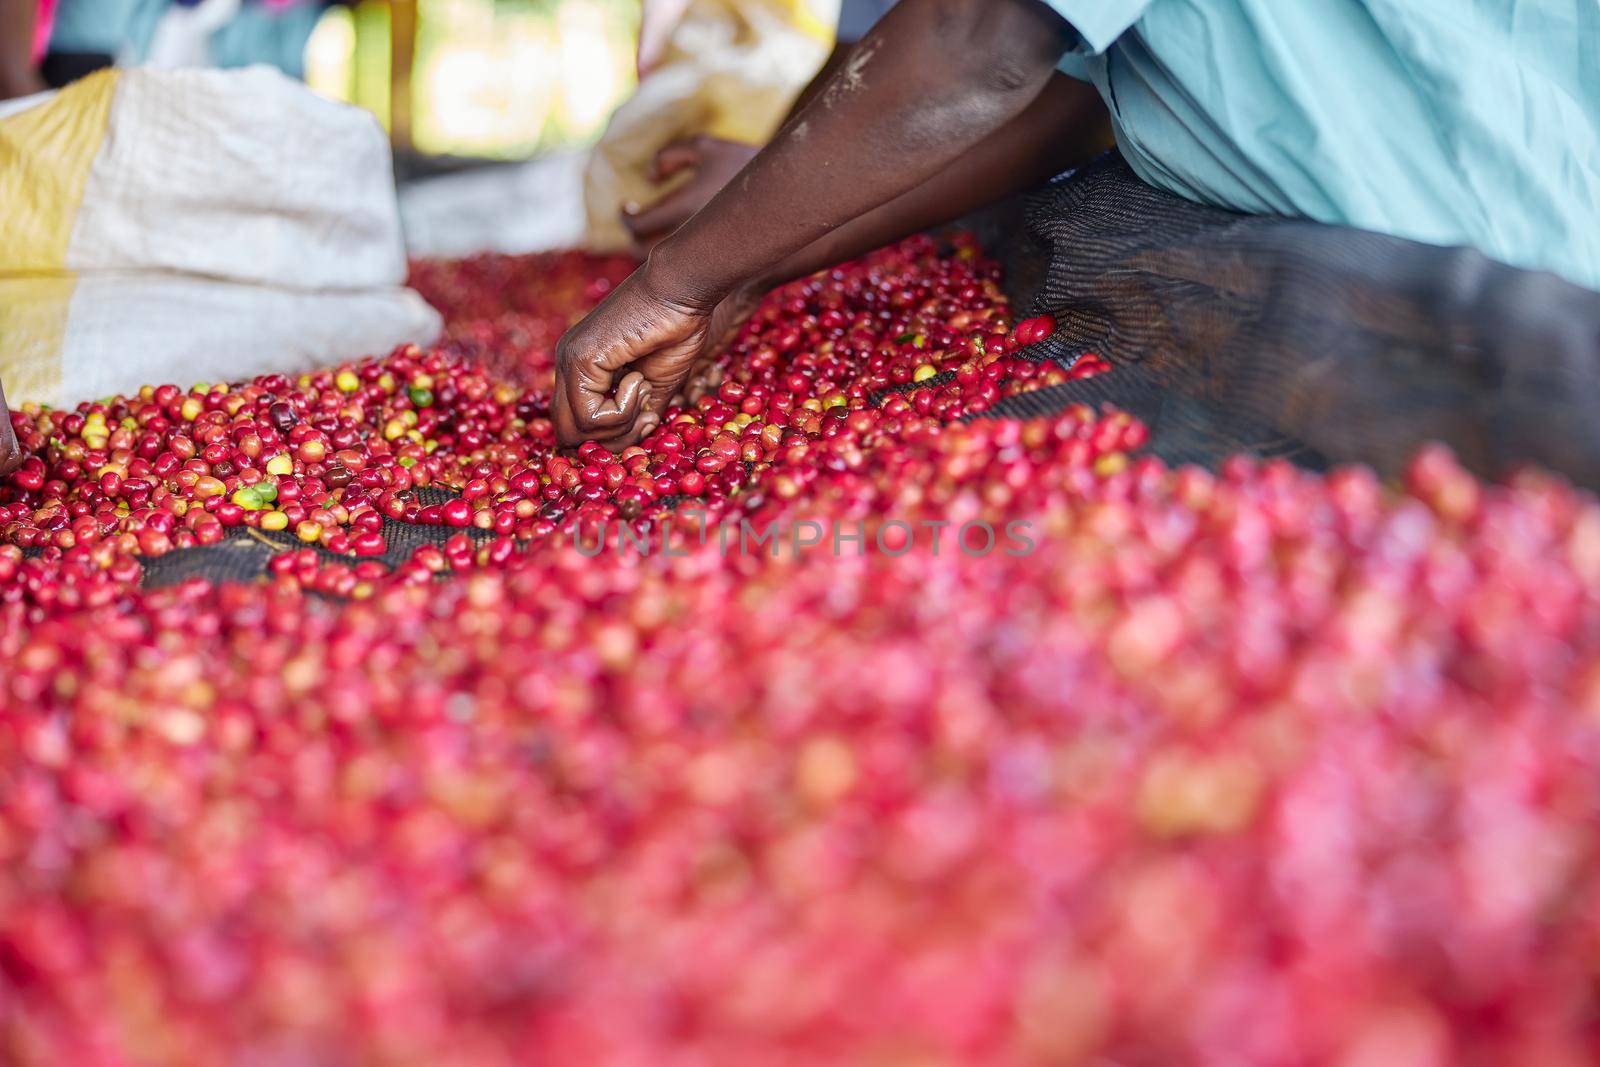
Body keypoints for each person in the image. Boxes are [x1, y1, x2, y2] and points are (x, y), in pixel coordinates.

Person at [551, 0, 1600, 450]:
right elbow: (1065, 91)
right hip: (1456, 270)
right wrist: (752, 258)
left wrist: (675, 283)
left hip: (1446, 298)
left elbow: (979, 41)